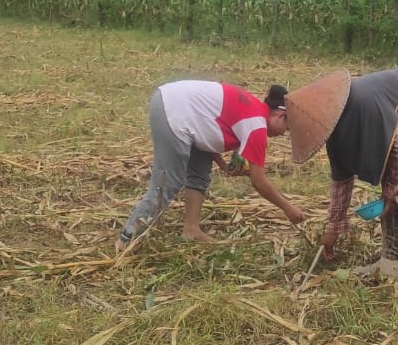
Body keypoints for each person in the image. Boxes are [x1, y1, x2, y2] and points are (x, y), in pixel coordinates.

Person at [288, 68, 398, 276]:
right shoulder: (337, 130)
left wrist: (393, 190)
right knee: (394, 193)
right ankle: (396, 259)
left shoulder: (363, 105)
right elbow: (341, 182)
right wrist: (333, 228)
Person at [117, 80, 302, 248]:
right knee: (168, 182)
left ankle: (191, 229)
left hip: (175, 103)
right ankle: (126, 239)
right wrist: (288, 208)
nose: (283, 134)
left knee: (199, 173)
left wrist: (222, 163)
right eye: (286, 129)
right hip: (174, 110)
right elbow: (259, 181)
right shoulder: (257, 125)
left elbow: (207, 127)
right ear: (281, 115)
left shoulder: (253, 108)